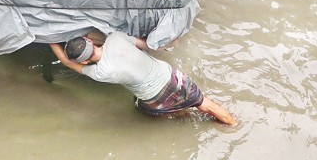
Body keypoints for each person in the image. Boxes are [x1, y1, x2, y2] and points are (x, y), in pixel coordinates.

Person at [50, 32, 236, 125]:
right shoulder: (115, 37)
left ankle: (181, 113)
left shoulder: (100, 72)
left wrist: (49, 38)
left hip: (154, 98)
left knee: (142, 111)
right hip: (172, 78)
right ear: (90, 42)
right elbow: (146, 45)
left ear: (83, 61)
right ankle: (233, 124)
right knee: (204, 103)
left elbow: (66, 63)